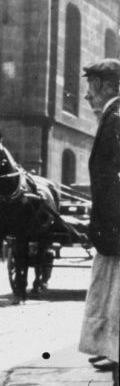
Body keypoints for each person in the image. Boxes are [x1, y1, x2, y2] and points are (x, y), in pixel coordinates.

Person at [79, 58, 120, 379]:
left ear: (108, 86)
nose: (87, 97)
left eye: (91, 88)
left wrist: (108, 231)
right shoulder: (112, 118)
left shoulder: (116, 119)